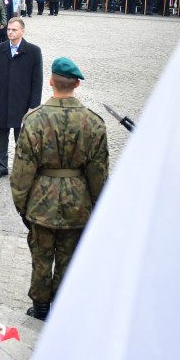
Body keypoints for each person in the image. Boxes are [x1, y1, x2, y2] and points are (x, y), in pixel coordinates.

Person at [11, 57, 109, 321]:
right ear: (77, 84)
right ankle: (63, 310)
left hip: (41, 202)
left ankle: (41, 308)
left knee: (41, 259)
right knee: (69, 260)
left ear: (51, 82)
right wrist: (97, 206)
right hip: (78, 204)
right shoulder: (94, 122)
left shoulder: (33, 120)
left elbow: (22, 170)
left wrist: (22, 206)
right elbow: (99, 174)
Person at [0, 17, 43, 179]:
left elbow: (37, 81)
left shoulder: (33, 51)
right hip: (2, 100)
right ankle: (1, 166)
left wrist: (34, 106)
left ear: (22, 32)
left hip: (22, 102)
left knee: (22, 138)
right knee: (1, 136)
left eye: (14, 30)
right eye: (9, 29)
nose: (10, 32)